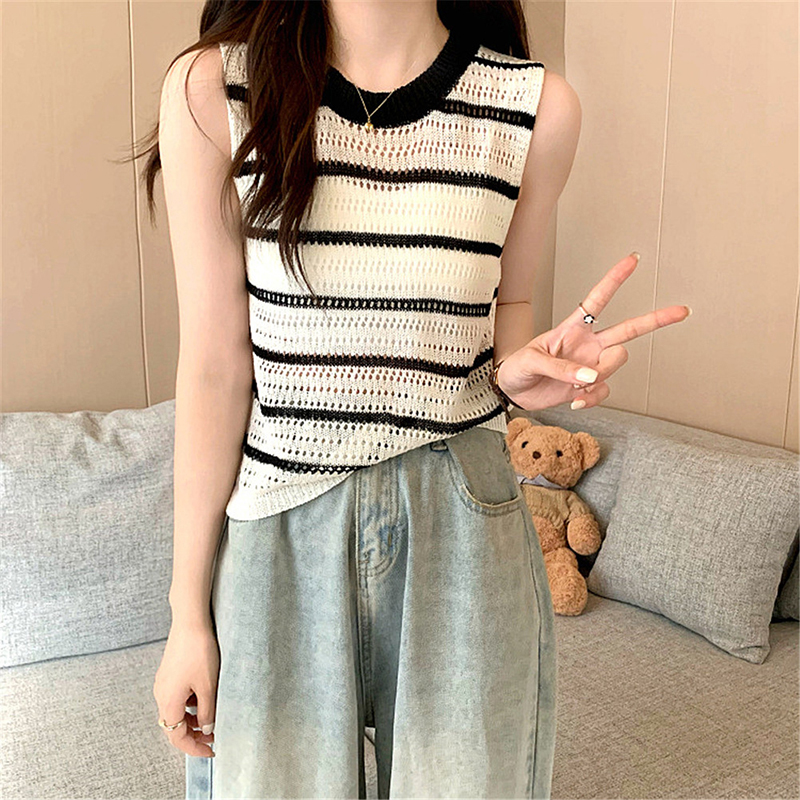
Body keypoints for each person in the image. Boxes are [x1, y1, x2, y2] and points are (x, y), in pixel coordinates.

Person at [139, 1, 690, 797]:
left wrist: (522, 372)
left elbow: (506, 316)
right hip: (280, 530)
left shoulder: (536, 108)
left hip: (464, 521)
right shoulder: (213, 89)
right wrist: (187, 612)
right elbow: (214, 369)